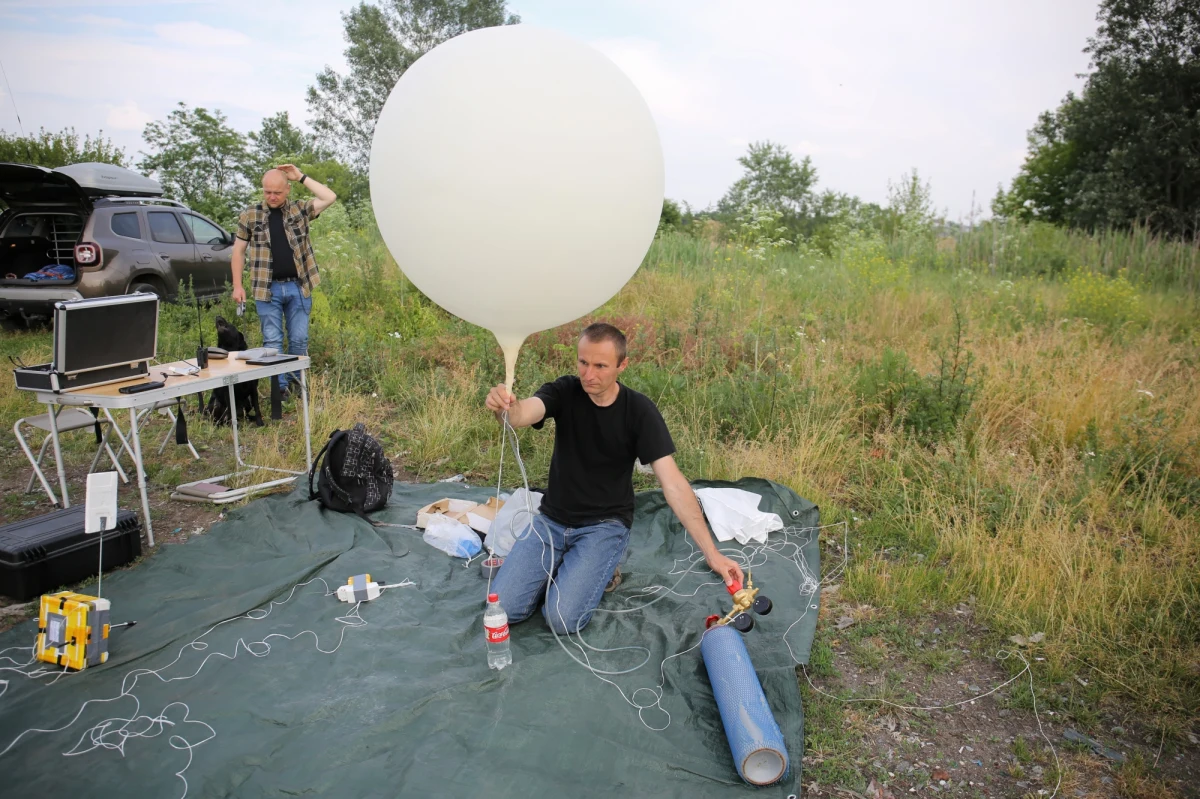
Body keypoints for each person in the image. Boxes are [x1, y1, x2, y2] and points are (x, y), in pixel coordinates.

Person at [485, 322, 743, 635]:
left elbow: (673, 483)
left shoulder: (639, 412)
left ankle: (604, 569)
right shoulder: (565, 390)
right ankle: (562, 568)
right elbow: (522, 414)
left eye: (600, 366)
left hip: (603, 526)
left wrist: (713, 554)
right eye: (583, 362)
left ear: (622, 365)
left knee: (562, 619)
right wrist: (503, 406)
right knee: (502, 610)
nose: (588, 375)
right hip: (551, 521)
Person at [230, 165, 337, 399]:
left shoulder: (300, 210)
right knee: (272, 341)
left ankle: (297, 383)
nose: (272, 196)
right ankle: (279, 390)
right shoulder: (250, 215)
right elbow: (238, 252)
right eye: (267, 192)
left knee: (299, 339)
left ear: (287, 189)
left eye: (277, 192)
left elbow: (330, 197)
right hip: (266, 288)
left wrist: (301, 177)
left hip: (298, 286)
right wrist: (237, 285)